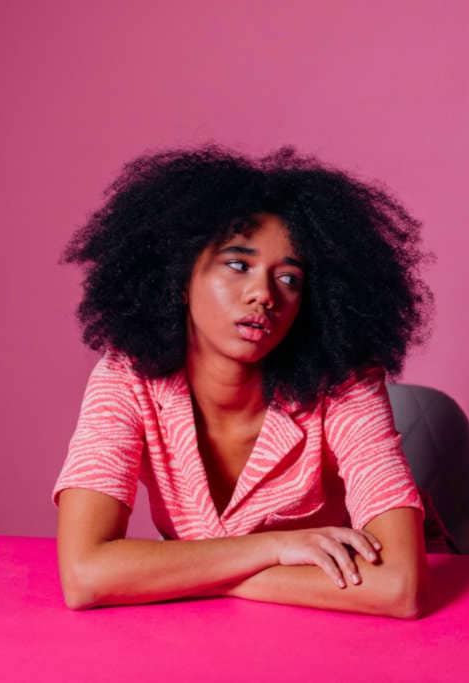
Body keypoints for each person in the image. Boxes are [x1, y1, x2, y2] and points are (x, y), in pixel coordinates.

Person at [53, 144, 434, 617]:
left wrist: (195, 576)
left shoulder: (345, 384)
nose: (263, 295)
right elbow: (85, 574)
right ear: (179, 276)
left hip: (333, 634)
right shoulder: (128, 378)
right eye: (238, 264)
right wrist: (272, 548)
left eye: (290, 278)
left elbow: (398, 586)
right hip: (207, 636)